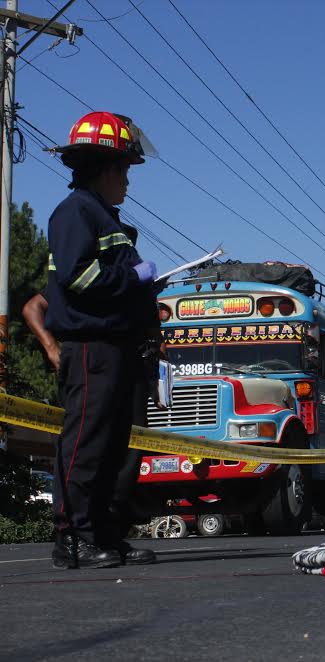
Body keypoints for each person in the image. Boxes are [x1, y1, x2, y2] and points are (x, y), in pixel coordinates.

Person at [45, 111, 161, 569]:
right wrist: (133, 277)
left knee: (113, 448)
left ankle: (104, 534)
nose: (128, 182)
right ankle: (73, 538)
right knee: (86, 445)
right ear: (105, 169)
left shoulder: (102, 216)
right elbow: (78, 277)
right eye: (125, 170)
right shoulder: (76, 212)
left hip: (116, 348)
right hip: (91, 347)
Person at [23, 292, 157, 546]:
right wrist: (52, 348)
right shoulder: (92, 279)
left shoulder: (134, 283)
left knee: (123, 456)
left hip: (129, 367)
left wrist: (156, 374)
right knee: (87, 450)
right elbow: (33, 307)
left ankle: (108, 532)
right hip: (92, 365)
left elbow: (153, 334)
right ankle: (75, 535)